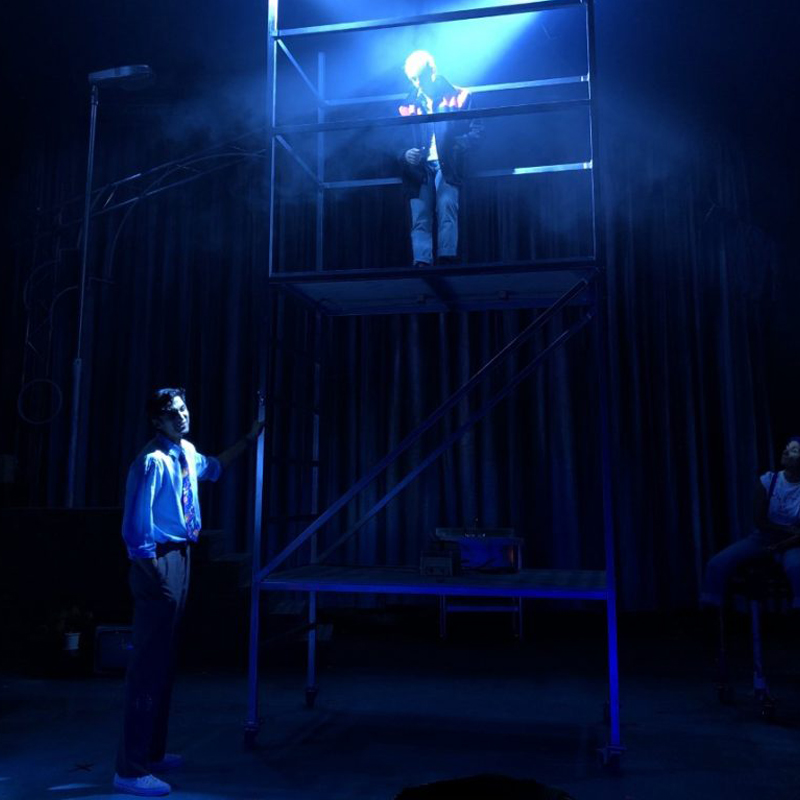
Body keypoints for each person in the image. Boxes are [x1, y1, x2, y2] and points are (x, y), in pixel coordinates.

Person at [113, 387, 263, 797]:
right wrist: (155, 575)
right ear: (155, 421)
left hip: (182, 556)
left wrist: (250, 439)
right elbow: (135, 529)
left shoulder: (186, 453)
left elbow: (214, 467)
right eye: (170, 413)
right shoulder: (151, 462)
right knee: (147, 664)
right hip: (158, 559)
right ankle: (129, 767)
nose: (180, 416)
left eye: (183, 408)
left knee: (164, 661)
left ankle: (152, 752)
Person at [398, 50, 482, 267]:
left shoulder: (460, 96)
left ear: (432, 72)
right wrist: (405, 154)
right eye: (413, 79)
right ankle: (422, 262)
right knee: (421, 216)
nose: (417, 83)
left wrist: (455, 148)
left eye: (421, 77)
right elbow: (395, 142)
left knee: (446, 208)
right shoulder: (407, 105)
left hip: (448, 165)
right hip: (420, 170)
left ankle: (445, 259)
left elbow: (477, 131)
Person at [701, 437, 800, 609]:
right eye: (786, 448)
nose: (785, 452)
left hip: (793, 544)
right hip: (763, 538)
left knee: (796, 568)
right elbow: (760, 521)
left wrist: (788, 539)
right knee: (716, 564)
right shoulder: (769, 481)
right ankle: (713, 617)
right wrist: (786, 530)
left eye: (793, 450)